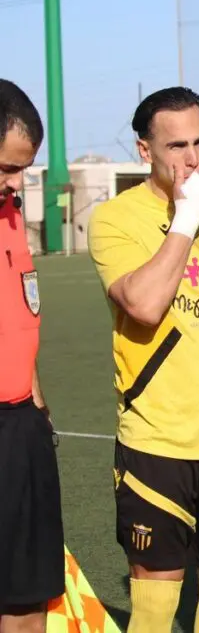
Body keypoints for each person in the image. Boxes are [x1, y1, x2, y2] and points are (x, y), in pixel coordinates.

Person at [88, 87, 199, 633]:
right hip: (156, 444)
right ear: (145, 151)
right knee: (155, 606)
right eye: (177, 146)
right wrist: (188, 214)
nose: (193, 158)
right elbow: (144, 305)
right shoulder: (114, 219)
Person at [0, 80, 63, 633]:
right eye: (8, 167)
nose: (17, 181)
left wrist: (36, 398)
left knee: (29, 596)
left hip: (21, 425)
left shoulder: (10, 211)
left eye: (23, 168)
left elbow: (21, 310)